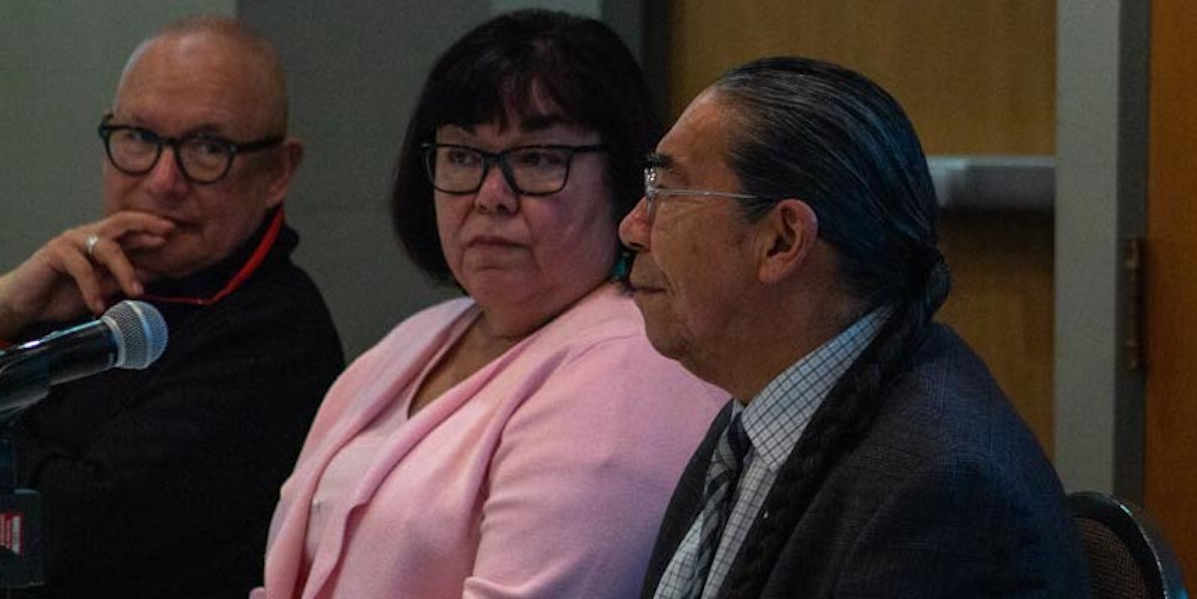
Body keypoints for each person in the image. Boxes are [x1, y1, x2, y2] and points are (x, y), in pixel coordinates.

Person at [254, 9, 725, 599]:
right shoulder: (414, 339)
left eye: (537, 159)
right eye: (463, 156)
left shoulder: (631, 366)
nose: (490, 196)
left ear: (623, 179)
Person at [620, 57, 1091, 598]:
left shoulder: (942, 492)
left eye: (667, 195)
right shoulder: (762, 414)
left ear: (781, 240)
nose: (632, 226)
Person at [0, 16, 344, 598]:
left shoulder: (276, 336)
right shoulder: (82, 283)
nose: (163, 181)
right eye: (139, 137)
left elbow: (70, 534)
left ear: (278, 172)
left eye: (208, 148)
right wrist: (8, 306)